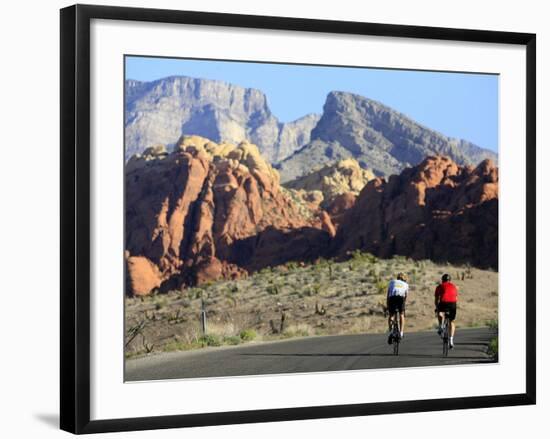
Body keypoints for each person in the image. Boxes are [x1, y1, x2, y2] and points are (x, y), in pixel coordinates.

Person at [434, 273, 458, 348]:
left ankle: (441, 326)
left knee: (439, 311)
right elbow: (456, 298)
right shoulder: (454, 286)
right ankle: (451, 340)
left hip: (444, 303)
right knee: (452, 321)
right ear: (450, 280)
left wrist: (437, 307)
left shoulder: (439, 286)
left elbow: (436, 299)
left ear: (442, 280)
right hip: (453, 304)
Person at [386, 272, 409, 344]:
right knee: (401, 314)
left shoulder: (392, 282)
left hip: (392, 298)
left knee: (391, 315)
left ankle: (390, 332)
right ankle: (401, 333)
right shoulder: (406, 284)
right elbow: (405, 296)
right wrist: (403, 305)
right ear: (404, 279)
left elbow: (388, 294)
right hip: (400, 298)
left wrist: (387, 305)